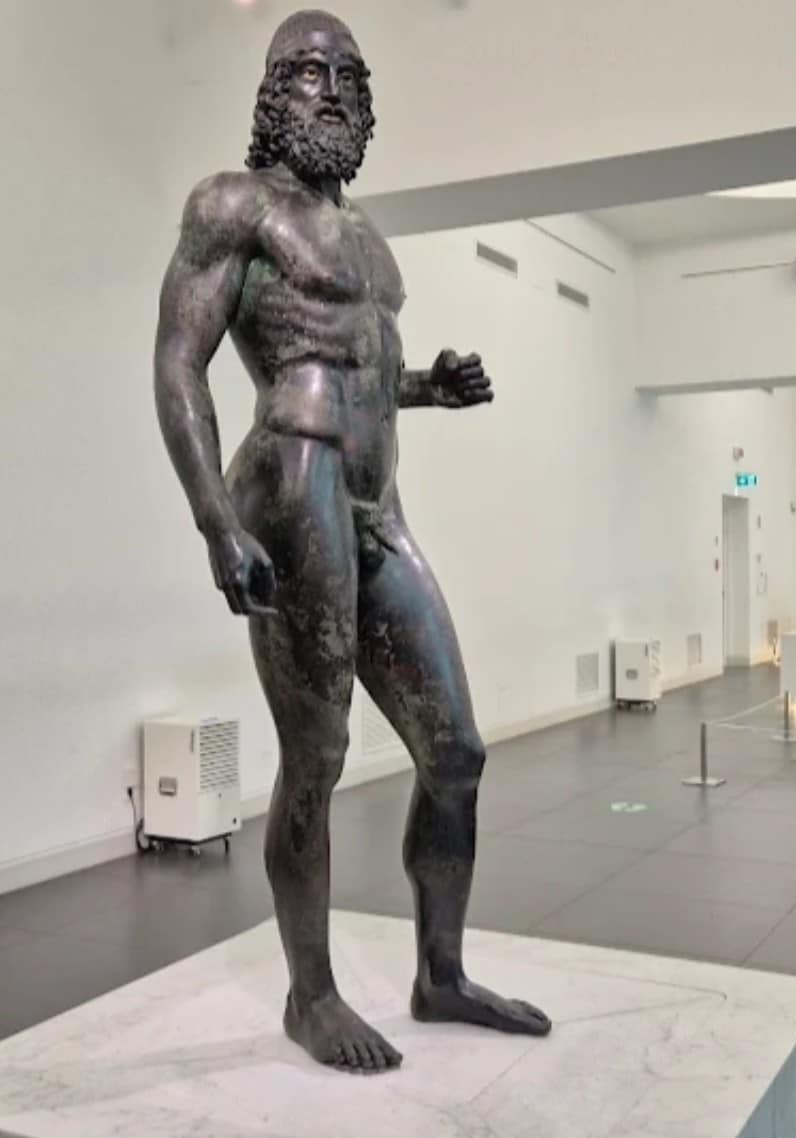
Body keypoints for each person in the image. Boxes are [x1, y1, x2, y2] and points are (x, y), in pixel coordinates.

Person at [154, 8, 550, 1074]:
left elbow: (359, 370)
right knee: (318, 753)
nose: (329, 90)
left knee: (456, 750)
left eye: (348, 77)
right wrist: (214, 520)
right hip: (292, 484)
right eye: (307, 72)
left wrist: (427, 386)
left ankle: (439, 974)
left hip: (378, 502)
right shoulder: (233, 205)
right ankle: (311, 994)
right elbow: (180, 362)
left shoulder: (366, 235)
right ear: (270, 93)